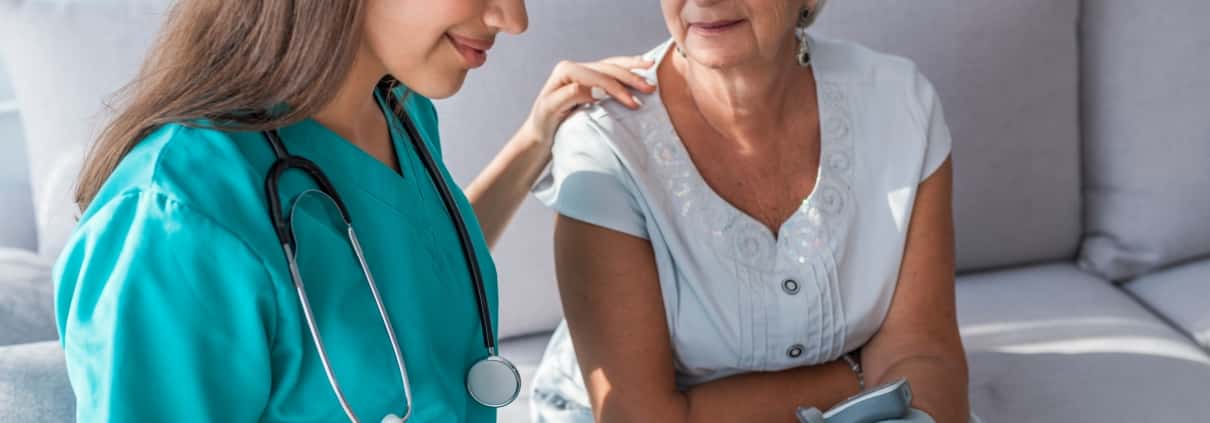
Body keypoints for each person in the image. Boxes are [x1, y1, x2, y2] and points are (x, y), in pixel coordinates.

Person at [53, 0, 655, 422]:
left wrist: (535, 139)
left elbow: (413, 272)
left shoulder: (399, 113)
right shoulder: (174, 219)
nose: (513, 19)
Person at [530, 0, 979, 422]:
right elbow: (642, 416)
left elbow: (924, 353)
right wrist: (859, 374)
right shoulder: (604, 141)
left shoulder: (898, 103)